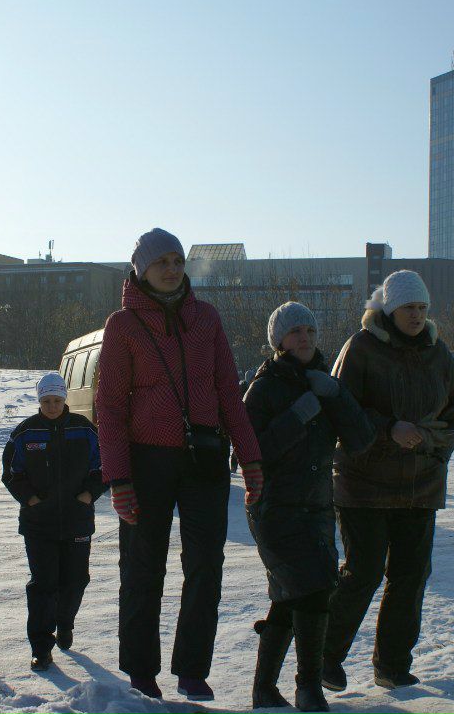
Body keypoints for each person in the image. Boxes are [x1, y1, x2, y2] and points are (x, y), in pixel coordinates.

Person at [95, 228, 263, 701]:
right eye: (161, 262)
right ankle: (141, 671)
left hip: (204, 457)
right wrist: (118, 478)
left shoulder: (206, 318)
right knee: (143, 567)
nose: (171, 269)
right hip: (146, 461)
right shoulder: (123, 325)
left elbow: (228, 391)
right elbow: (110, 405)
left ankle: (192, 670)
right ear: (141, 270)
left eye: (177, 260)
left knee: (206, 565)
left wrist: (250, 457)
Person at [320, 269, 454, 693]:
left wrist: (431, 445)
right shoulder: (361, 348)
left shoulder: (439, 354)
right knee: (362, 573)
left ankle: (393, 664)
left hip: (420, 486)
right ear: (389, 309)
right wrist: (388, 429)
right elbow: (340, 409)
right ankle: (324, 657)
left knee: (410, 576)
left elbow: (453, 414)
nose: (416, 315)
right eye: (408, 308)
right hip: (363, 485)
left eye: (422, 308)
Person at [244, 302, 375, 712]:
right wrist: (297, 415)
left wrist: (337, 394)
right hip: (275, 510)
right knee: (314, 592)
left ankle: (265, 689)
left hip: (317, 508)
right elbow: (251, 452)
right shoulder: (263, 388)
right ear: (279, 340)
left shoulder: (324, 382)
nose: (304, 338)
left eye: (310, 331)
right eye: (295, 331)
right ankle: (309, 688)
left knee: (292, 597)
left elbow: (361, 440)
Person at [1, 372, 105, 672]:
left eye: (57, 400)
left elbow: (104, 466)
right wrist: (31, 499)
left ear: (64, 399)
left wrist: (89, 494)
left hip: (77, 520)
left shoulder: (84, 429)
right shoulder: (25, 433)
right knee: (43, 585)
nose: (52, 406)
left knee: (75, 580)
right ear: (39, 401)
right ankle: (41, 648)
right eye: (46, 401)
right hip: (39, 524)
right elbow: (11, 473)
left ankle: (65, 622)